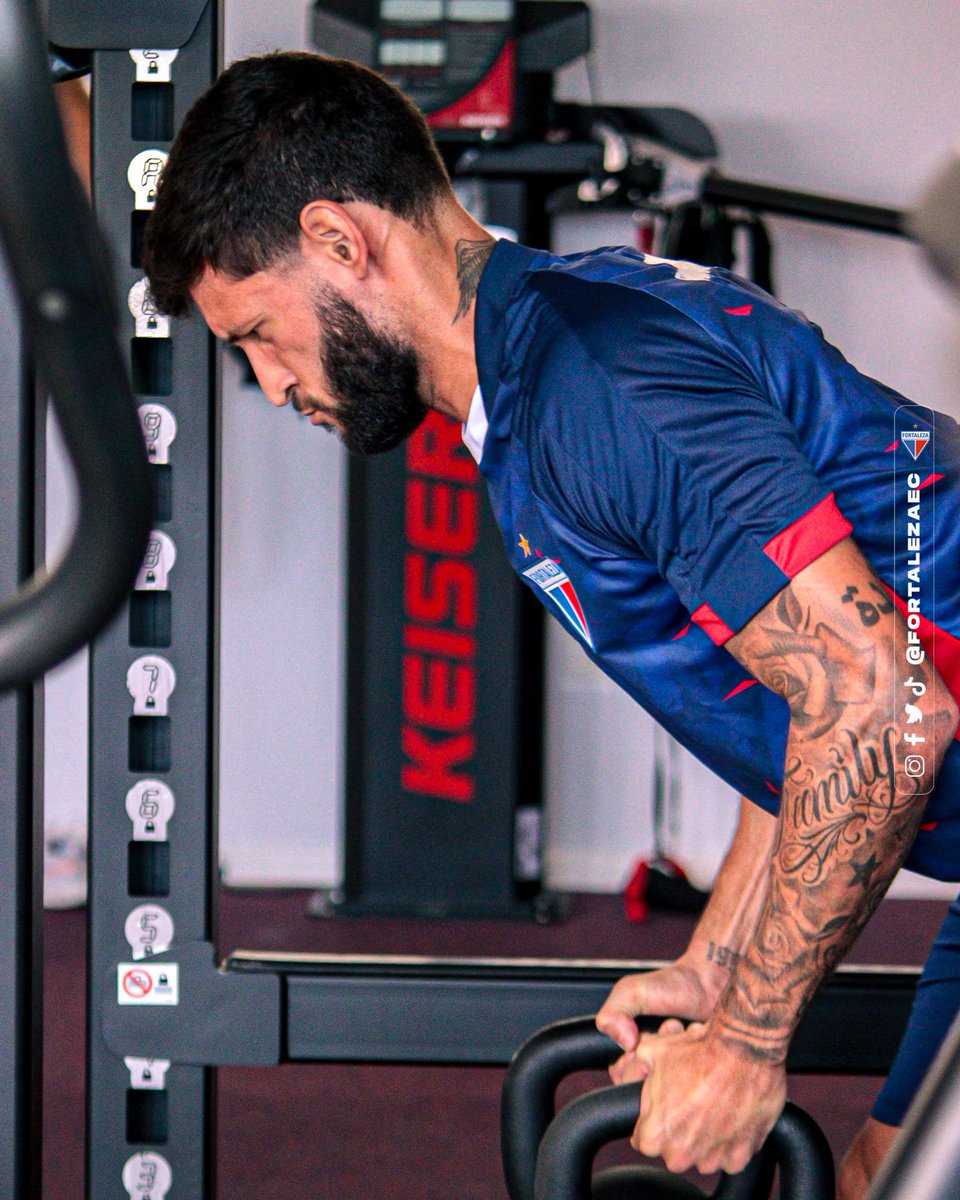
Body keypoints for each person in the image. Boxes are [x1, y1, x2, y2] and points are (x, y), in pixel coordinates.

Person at [142, 51, 960, 1198]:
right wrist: (721, 968)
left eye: (258, 336)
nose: (272, 385)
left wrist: (748, 1045)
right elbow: (795, 690)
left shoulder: (595, 386)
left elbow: (878, 703)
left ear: (337, 241)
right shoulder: (545, 380)